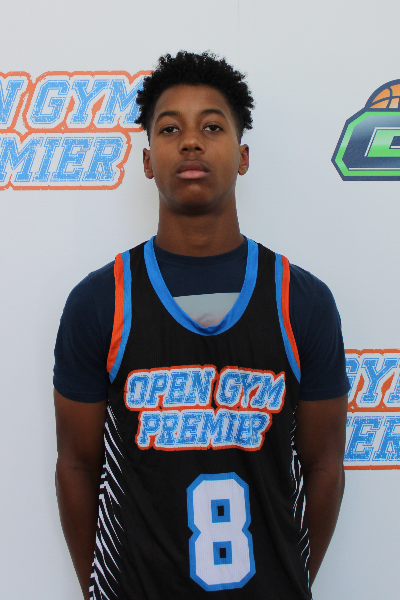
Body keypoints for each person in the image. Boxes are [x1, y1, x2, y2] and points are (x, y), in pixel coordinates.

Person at [54, 51, 349, 600]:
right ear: (148, 161)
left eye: (212, 126)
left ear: (242, 156)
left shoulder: (301, 301)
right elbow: (76, 464)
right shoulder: (100, 302)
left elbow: (325, 464)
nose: (191, 141)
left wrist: (291, 580)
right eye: (170, 128)